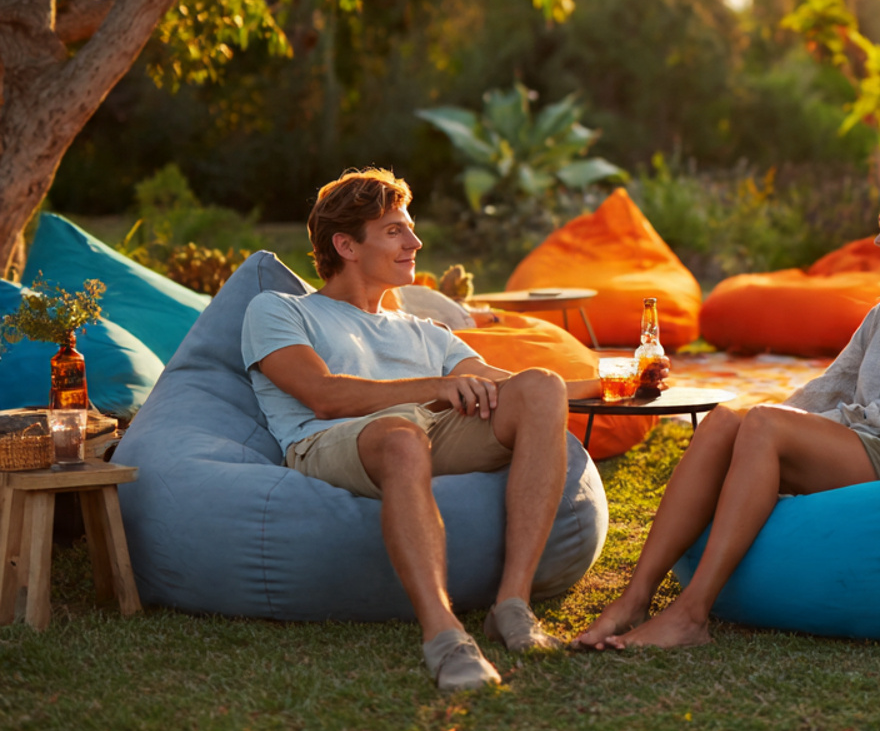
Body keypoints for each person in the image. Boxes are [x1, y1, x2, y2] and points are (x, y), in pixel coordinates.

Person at [574, 168, 880, 651]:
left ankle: (691, 614)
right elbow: (830, 386)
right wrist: (762, 427)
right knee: (728, 420)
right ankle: (634, 599)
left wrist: (800, 427)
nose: (878, 238)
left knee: (764, 424)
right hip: (864, 447)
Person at [241, 168, 645, 692]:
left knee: (540, 385)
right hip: (335, 440)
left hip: (431, 430)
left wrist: (616, 384)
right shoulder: (280, 309)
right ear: (346, 245)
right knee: (402, 436)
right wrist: (434, 388)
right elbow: (323, 397)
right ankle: (445, 636)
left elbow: (509, 386)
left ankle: (512, 606)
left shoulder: (425, 330)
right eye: (394, 231)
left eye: (410, 228)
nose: (416, 242)